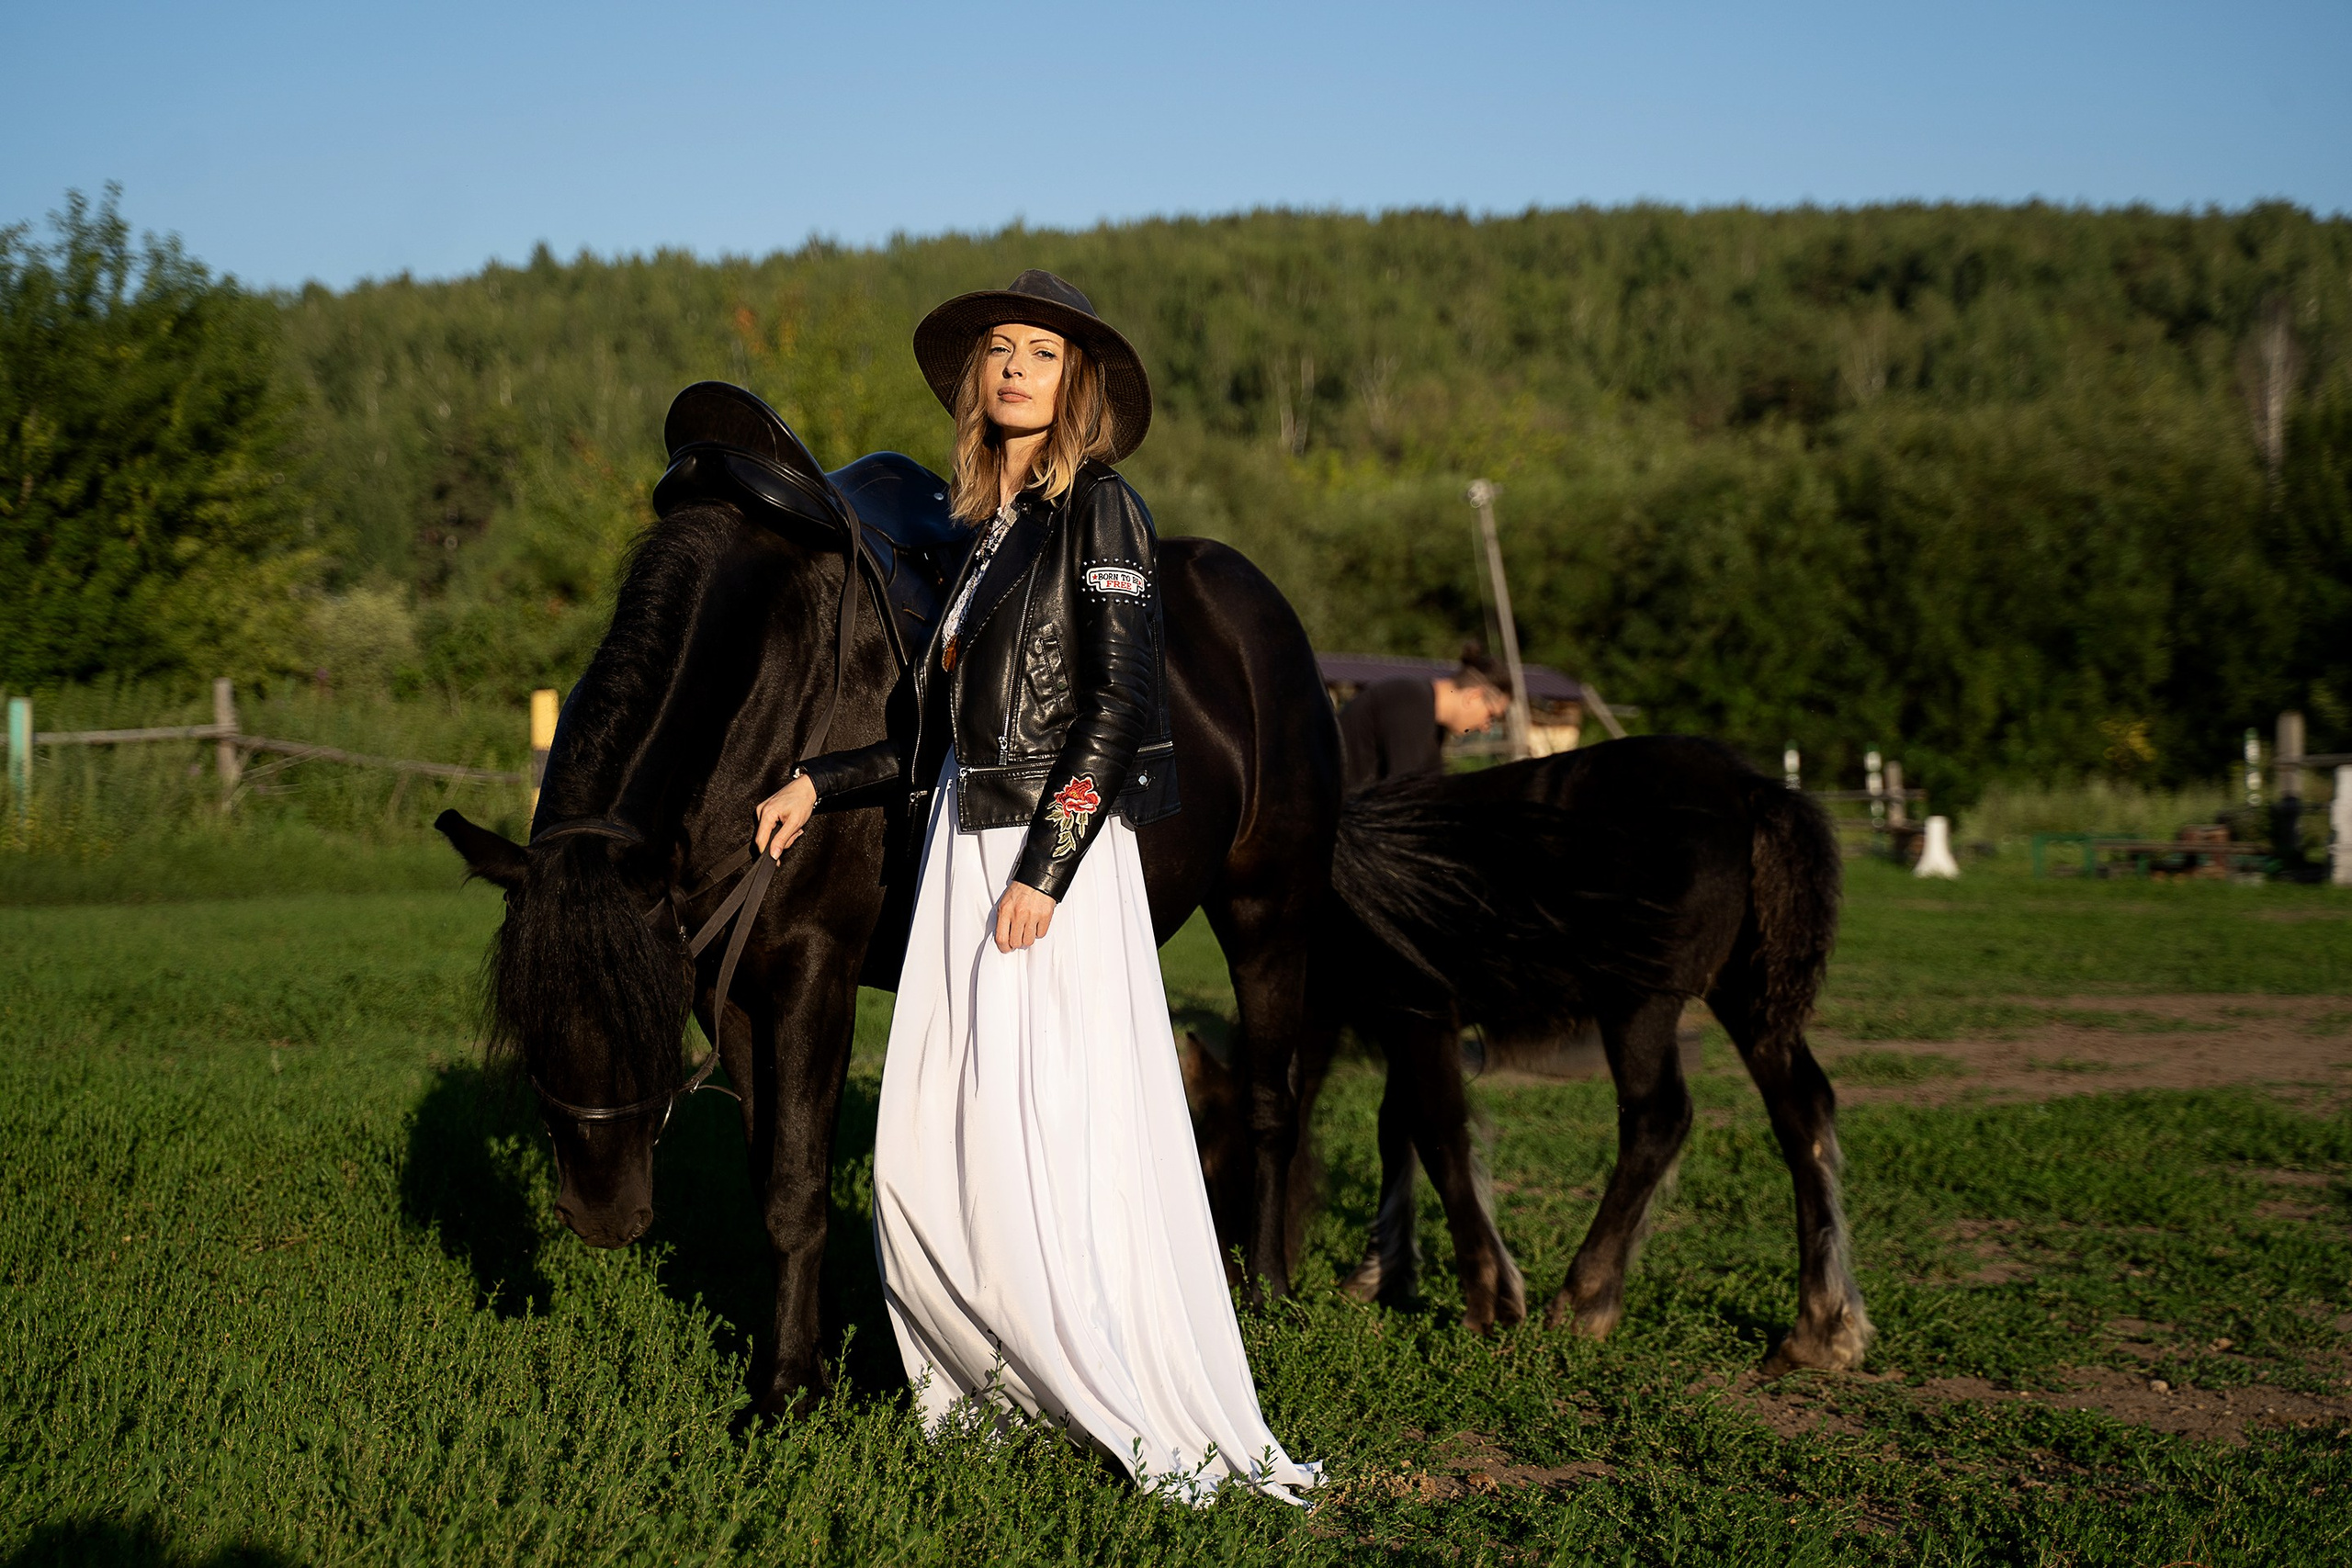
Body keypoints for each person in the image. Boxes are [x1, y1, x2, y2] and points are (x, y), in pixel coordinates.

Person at [751, 270, 1320, 1506]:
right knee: (931, 1144)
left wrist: (1048, 873)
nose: (1013, 366)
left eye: (1041, 354)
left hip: (1043, 854)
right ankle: (999, 1389)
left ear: (1078, 386)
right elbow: (936, 739)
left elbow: (1118, 705)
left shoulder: (1100, 510)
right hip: (963, 830)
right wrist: (817, 778)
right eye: (999, 350)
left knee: (1045, 1128)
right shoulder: (983, 535)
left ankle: (1095, 1385)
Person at [1336, 649, 1512, 794]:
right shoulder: (1410, 700)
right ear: (1474, 697)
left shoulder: (1431, 722)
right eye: (1491, 715)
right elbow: (1406, 795)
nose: (1486, 727)